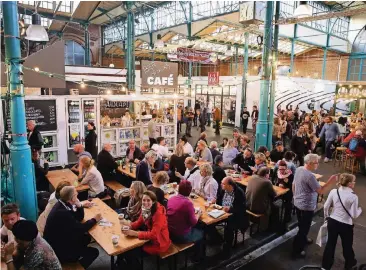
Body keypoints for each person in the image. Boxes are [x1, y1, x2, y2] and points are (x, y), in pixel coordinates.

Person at [44, 186, 101, 268]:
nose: (77, 194)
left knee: (86, 238)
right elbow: (80, 229)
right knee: (94, 252)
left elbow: (78, 217)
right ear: (71, 198)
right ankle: (75, 265)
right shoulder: (62, 213)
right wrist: (94, 220)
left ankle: (77, 254)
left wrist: (79, 206)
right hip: (59, 249)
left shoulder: (62, 204)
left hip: (60, 240)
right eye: (75, 194)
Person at [292, 154, 337, 257]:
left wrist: (295, 196)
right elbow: (321, 191)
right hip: (306, 206)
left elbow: (293, 184)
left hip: (298, 203)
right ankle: (296, 251)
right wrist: (331, 181)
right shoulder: (310, 176)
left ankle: (303, 239)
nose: (318, 164)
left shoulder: (299, 169)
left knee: (301, 224)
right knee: (304, 228)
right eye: (316, 162)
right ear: (310, 163)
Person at [321, 174, 362, 270]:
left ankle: (325, 266)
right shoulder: (353, 197)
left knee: (330, 244)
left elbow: (326, 206)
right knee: (347, 246)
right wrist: (360, 210)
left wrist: (326, 217)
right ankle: (349, 264)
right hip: (346, 225)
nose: (354, 183)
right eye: (353, 181)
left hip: (333, 221)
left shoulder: (334, 191)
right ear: (349, 184)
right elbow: (354, 215)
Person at [120, 191, 171, 255]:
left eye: (148, 200)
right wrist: (129, 226)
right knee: (126, 248)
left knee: (131, 251)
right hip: (150, 238)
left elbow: (153, 234)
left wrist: (134, 233)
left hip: (160, 242)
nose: (145, 202)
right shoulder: (145, 209)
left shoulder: (158, 214)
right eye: (144, 200)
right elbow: (139, 222)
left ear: (153, 201)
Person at [167, 180, 204, 260]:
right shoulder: (187, 203)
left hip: (170, 232)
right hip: (180, 236)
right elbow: (193, 222)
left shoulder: (171, 198)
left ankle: (192, 250)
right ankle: (198, 258)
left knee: (196, 227)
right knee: (202, 232)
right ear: (189, 191)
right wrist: (198, 214)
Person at [215, 177, 249, 258]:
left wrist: (230, 209)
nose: (221, 185)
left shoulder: (239, 193)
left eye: (223, 184)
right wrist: (215, 203)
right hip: (222, 212)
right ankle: (216, 239)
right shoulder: (223, 190)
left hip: (236, 216)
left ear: (230, 185)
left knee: (228, 228)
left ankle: (227, 251)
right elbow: (219, 200)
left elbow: (242, 209)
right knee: (208, 223)